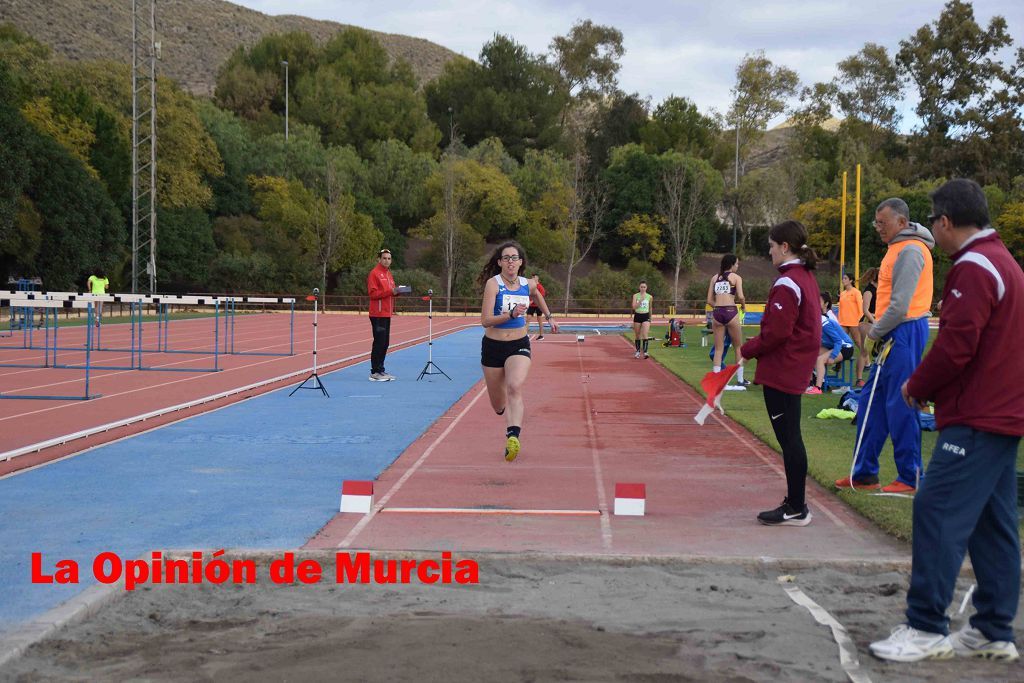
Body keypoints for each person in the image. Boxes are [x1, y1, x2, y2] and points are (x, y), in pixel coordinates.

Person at [869, 179, 1023, 664]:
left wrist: (917, 386)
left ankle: (925, 626)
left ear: (945, 221)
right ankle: (994, 628)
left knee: (935, 510)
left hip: (978, 414)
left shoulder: (974, 266)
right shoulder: (1006, 263)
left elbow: (957, 345)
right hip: (1002, 412)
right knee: (993, 522)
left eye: (936, 221)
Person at [835, 198, 934, 494]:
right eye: (876, 222)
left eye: (883, 223)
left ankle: (911, 476)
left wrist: (875, 333)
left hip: (903, 331)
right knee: (870, 403)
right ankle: (865, 473)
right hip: (895, 332)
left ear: (902, 223)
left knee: (900, 403)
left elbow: (901, 305)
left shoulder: (912, 250)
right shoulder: (897, 248)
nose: (878, 228)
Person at [740, 221, 821, 526]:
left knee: (790, 439)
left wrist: (746, 350)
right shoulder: (805, 277)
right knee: (791, 437)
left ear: (785, 247)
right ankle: (795, 503)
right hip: (794, 366)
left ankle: (797, 506)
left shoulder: (789, 282)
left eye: (772, 246)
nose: (769, 252)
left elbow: (776, 331)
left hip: (785, 369)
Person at [479, 242, 558, 462]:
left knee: (515, 386)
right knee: (498, 405)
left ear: (521, 262)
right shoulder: (493, 285)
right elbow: (485, 320)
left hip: (518, 344)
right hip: (493, 347)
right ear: (499, 262)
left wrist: (549, 316)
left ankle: (513, 436)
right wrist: (510, 315)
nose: (510, 261)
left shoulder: (528, 283)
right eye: (506, 258)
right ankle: (504, 411)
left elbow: (538, 295)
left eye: (514, 258)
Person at [707, 254, 748, 386]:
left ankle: (716, 380)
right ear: (731, 264)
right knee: (738, 348)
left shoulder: (714, 278)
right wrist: (743, 306)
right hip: (731, 311)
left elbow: (709, 300)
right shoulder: (737, 278)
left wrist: (719, 307)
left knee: (718, 349)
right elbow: (741, 296)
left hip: (717, 313)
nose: (737, 266)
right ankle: (740, 380)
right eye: (737, 264)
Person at [366, 248, 406, 382]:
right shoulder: (374, 273)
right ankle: (375, 372)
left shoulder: (388, 274)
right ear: (379, 259)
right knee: (379, 342)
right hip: (378, 314)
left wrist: (398, 291)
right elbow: (373, 294)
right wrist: (391, 291)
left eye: (389, 258)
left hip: (387, 313)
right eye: (384, 258)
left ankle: (381, 369)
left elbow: (391, 291)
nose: (386, 260)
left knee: (385, 343)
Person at [807, 291, 855, 394]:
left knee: (820, 359)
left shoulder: (825, 322)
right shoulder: (816, 321)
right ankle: (810, 384)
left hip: (845, 347)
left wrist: (833, 356)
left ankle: (818, 388)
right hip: (835, 346)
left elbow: (838, 340)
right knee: (811, 353)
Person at [856, 267, 880, 386]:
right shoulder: (869, 291)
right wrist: (874, 321)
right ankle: (859, 379)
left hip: (877, 321)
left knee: (878, 350)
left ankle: (877, 376)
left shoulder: (880, 290)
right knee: (864, 352)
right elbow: (865, 310)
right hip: (867, 322)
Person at [838, 272, 864, 367]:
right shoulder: (842, 293)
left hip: (854, 322)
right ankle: (838, 364)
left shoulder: (856, 292)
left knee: (858, 341)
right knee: (841, 342)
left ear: (851, 280)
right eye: (843, 278)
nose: (843, 280)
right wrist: (839, 321)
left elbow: (861, 308)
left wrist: (859, 320)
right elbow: (841, 308)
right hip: (843, 322)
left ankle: (867, 361)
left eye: (845, 278)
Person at [631, 281, 653, 359]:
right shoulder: (635, 296)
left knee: (645, 334)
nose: (643, 288)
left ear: (646, 288)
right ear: (639, 287)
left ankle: (645, 352)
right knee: (637, 336)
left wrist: (650, 317)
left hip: (645, 316)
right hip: (637, 316)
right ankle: (637, 351)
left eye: (644, 287)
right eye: (641, 287)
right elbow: (634, 307)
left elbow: (650, 308)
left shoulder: (650, 296)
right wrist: (640, 301)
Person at [526, 274, 548, 340]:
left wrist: (532, 301)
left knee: (539, 320)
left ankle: (541, 335)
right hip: (531, 306)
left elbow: (540, 297)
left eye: (534, 277)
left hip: (538, 306)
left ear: (537, 278)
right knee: (527, 319)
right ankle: (525, 335)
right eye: (532, 277)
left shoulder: (540, 287)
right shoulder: (530, 286)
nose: (532, 278)